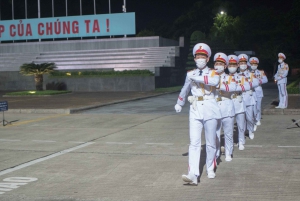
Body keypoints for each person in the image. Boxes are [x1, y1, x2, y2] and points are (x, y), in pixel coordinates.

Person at [174, 43, 221, 185]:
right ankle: (193, 174)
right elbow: (185, 89)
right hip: (195, 109)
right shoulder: (190, 74)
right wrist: (180, 102)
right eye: (198, 56)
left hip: (210, 108)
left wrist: (197, 78)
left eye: (203, 56)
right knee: (194, 143)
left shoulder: (213, 72)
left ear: (207, 58)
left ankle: (211, 167)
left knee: (211, 141)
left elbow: (214, 82)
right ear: (194, 58)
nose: (200, 59)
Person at [213, 53, 236, 162]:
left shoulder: (230, 77)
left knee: (228, 133)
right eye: (217, 63)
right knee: (215, 134)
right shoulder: (211, 77)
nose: (218, 66)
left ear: (225, 66)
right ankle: (216, 153)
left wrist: (218, 85)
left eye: (221, 64)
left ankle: (228, 153)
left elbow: (232, 88)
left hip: (227, 107)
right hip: (215, 107)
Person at [227, 55, 250, 150]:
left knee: (241, 124)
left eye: (234, 65)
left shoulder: (242, 77)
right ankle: (230, 143)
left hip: (239, 101)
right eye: (230, 65)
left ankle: (241, 141)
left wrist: (234, 87)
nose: (232, 67)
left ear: (237, 65)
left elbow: (247, 87)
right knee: (229, 126)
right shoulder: (225, 77)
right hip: (229, 102)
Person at [237, 54, 259, 140]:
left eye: (244, 63)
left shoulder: (251, 74)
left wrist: (247, 85)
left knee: (249, 118)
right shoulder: (236, 75)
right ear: (238, 64)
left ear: (247, 64)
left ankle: (250, 130)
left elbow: (256, 83)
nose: (242, 64)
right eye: (241, 63)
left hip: (249, 98)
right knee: (241, 119)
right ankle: (242, 135)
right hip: (240, 98)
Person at [249, 57, 268, 126]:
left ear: (257, 65)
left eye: (255, 64)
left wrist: (259, 81)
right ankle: (253, 119)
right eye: (252, 64)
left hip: (258, 90)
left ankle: (258, 119)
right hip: (251, 91)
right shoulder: (248, 72)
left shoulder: (261, 72)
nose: (253, 65)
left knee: (258, 106)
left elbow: (266, 80)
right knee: (252, 107)